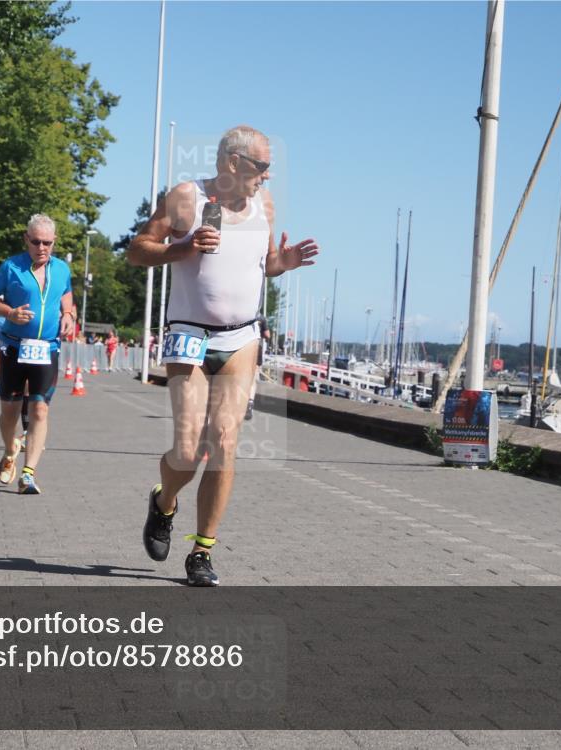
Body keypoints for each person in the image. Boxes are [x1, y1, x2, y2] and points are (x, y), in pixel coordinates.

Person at [127, 125, 318, 586]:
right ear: (233, 163)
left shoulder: (264, 207)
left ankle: (202, 553)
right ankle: (164, 503)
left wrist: (285, 263)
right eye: (262, 167)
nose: (267, 177)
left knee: (225, 443)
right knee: (189, 449)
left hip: (241, 338)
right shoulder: (186, 198)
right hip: (189, 333)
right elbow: (137, 251)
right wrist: (182, 246)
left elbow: (264, 263)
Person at [0, 214, 75, 494]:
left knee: (39, 408)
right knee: (9, 412)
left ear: (54, 242)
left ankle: (28, 473)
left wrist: (69, 313)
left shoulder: (61, 270)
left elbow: (66, 295)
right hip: (13, 345)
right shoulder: (11, 267)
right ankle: (10, 449)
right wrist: (9, 312)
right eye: (36, 241)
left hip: (46, 349)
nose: (42, 247)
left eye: (47, 242)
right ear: (26, 240)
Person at [244, 314, 271, 420]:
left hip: (242, 348)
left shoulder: (244, 314)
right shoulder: (261, 318)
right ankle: (250, 402)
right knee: (253, 377)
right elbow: (267, 335)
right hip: (256, 348)